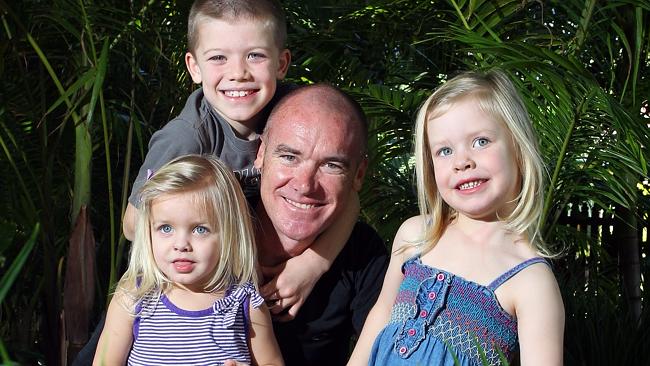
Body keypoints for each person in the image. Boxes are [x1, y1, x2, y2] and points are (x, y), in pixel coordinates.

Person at [122, 0, 358, 320]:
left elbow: (349, 201)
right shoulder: (186, 139)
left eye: (255, 55)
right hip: (185, 288)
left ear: (281, 63)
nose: (238, 73)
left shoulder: (297, 116)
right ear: (194, 67)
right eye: (218, 57)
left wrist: (312, 265)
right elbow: (134, 225)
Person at [348, 70, 565, 366]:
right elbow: (381, 314)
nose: (462, 162)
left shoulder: (530, 280)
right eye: (445, 150)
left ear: (517, 146)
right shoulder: (417, 236)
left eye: (481, 141)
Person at [93, 155, 283, 365]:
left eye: (200, 229)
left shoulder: (244, 302)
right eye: (166, 228)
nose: (181, 244)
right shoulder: (134, 295)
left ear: (230, 234)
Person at [251, 84, 389, 365]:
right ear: (261, 154)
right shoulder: (211, 223)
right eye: (289, 157)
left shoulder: (363, 254)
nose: (304, 185)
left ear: (358, 175)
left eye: (331, 166)